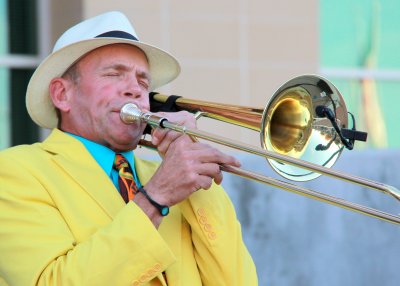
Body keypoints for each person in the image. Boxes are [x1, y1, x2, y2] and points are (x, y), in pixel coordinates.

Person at [0, 11, 257, 286]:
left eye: (143, 82)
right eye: (114, 74)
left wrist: (198, 181)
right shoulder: (17, 171)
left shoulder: (169, 178)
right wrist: (156, 197)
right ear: (63, 94)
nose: (135, 89)